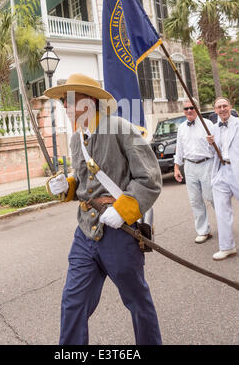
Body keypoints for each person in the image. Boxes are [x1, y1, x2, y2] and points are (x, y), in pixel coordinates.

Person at [44, 73, 162, 345]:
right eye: (64, 100)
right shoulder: (76, 139)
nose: (66, 105)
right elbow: (86, 183)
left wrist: (124, 209)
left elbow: (150, 178)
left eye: (71, 99)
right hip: (85, 232)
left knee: (137, 302)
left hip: (120, 233)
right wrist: (67, 186)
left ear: (92, 101)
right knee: (72, 302)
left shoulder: (120, 127)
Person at [206, 97, 239, 260]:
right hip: (221, 172)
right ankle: (227, 247)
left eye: (224, 106)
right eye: (219, 107)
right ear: (215, 110)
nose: (222, 109)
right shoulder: (214, 129)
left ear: (230, 107)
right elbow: (211, 154)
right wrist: (210, 144)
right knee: (222, 211)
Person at [174, 98, 215, 244]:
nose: (189, 111)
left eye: (192, 108)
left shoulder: (208, 124)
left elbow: (215, 149)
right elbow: (179, 148)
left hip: (206, 164)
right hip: (189, 166)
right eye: (186, 109)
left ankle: (224, 226)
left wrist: (212, 143)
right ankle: (203, 231)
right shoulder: (181, 128)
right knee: (195, 200)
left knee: (212, 197)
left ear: (197, 108)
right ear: (183, 111)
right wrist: (176, 167)